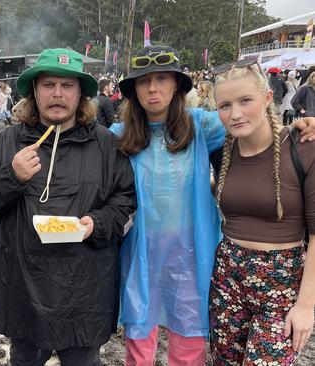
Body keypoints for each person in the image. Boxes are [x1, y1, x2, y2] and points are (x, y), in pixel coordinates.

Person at [111, 46, 315, 366]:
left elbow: (252, 127)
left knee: (189, 343)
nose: (153, 88)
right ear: (133, 89)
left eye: (162, 79)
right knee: (138, 341)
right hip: (141, 255)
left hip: (192, 255)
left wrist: (297, 128)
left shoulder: (201, 125)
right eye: (144, 81)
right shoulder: (119, 135)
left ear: (176, 84)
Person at [0, 48, 136, 366]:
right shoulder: (9, 141)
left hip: (85, 288)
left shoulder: (107, 145)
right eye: (49, 84)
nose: (58, 94)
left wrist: (98, 223)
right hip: (24, 285)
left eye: (67, 85)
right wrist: (12, 177)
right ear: (34, 91)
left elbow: (127, 205)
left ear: (81, 94)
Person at [210, 59, 315, 365]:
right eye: (225, 105)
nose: (236, 113)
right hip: (228, 276)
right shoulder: (223, 152)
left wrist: (306, 305)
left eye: (245, 101)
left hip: (283, 281)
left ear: (268, 98)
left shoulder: (303, 146)